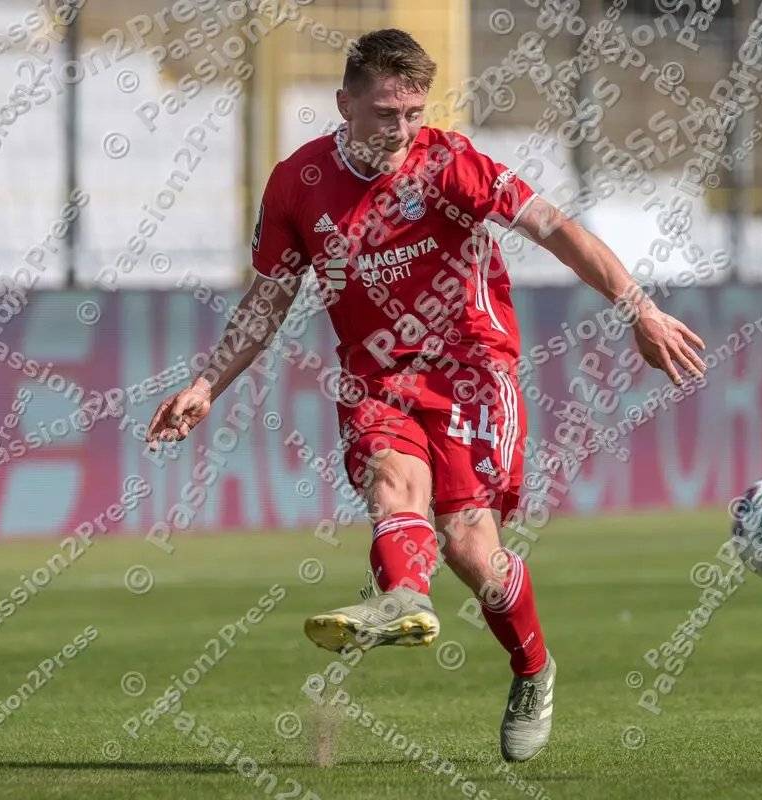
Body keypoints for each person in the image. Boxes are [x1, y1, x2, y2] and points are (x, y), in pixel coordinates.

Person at [146, 28, 706, 763]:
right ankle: (405, 597)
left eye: (413, 111)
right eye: (385, 112)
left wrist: (640, 307)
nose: (402, 129)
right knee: (391, 483)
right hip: (377, 377)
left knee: (473, 549)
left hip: (473, 369)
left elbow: (554, 229)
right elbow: (269, 299)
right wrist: (207, 381)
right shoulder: (298, 184)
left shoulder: (452, 164)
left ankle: (533, 669)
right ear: (344, 103)